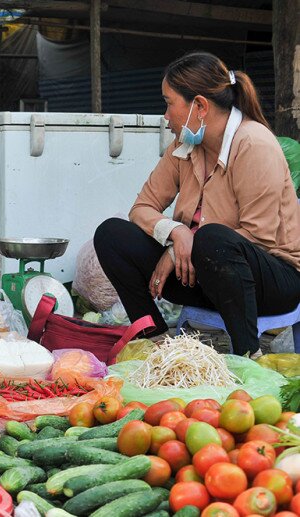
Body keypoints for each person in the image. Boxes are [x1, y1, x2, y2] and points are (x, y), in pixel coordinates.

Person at [93, 51, 300, 357]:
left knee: (211, 237)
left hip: (272, 281)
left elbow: (259, 237)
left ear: (200, 106)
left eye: (169, 102)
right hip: (205, 272)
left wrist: (179, 250)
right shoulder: (185, 146)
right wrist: (176, 232)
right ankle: (157, 347)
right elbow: (141, 208)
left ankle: (248, 357)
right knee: (111, 234)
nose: (165, 115)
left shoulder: (254, 143)